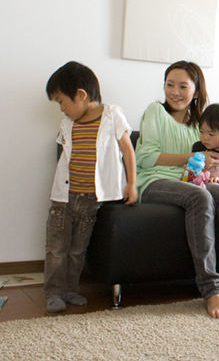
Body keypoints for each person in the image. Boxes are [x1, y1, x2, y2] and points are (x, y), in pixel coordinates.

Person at [135, 61, 219, 319]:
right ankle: (211, 290)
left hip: (191, 181)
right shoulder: (155, 112)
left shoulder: (201, 124)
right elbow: (146, 158)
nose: (174, 92)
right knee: (200, 196)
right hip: (154, 181)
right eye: (169, 85)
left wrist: (211, 171)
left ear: (196, 92)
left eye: (183, 86)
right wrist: (193, 157)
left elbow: (218, 159)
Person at [45, 61, 137, 313]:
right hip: (64, 199)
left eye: (61, 101)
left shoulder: (112, 115)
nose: (61, 109)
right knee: (56, 249)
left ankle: (70, 290)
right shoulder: (68, 123)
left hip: (90, 200)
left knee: (77, 250)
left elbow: (127, 149)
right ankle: (53, 293)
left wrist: (131, 183)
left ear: (81, 95)